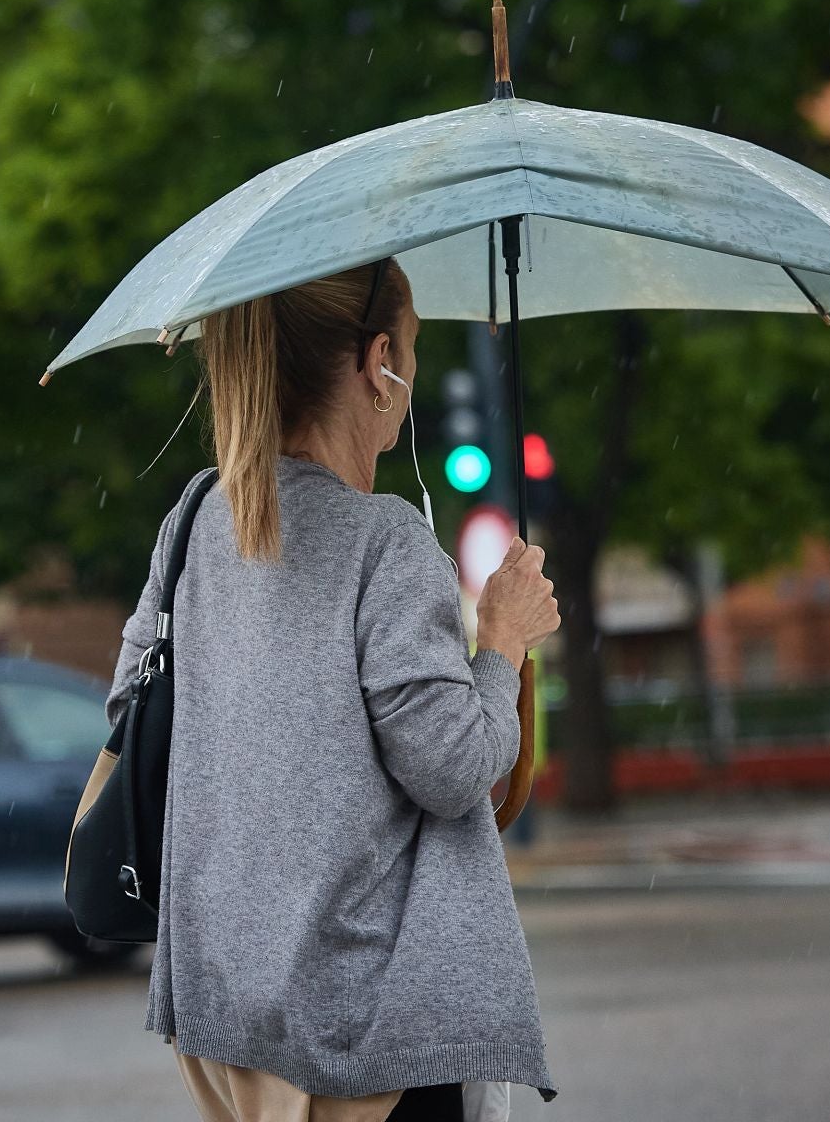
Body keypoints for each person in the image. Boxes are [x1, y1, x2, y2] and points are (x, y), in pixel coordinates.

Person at [106, 257, 561, 1121]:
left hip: (225, 1013)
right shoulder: (381, 540)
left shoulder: (196, 518)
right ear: (377, 361)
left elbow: (132, 708)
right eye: (414, 351)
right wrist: (502, 641)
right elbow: (456, 768)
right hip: (363, 1029)